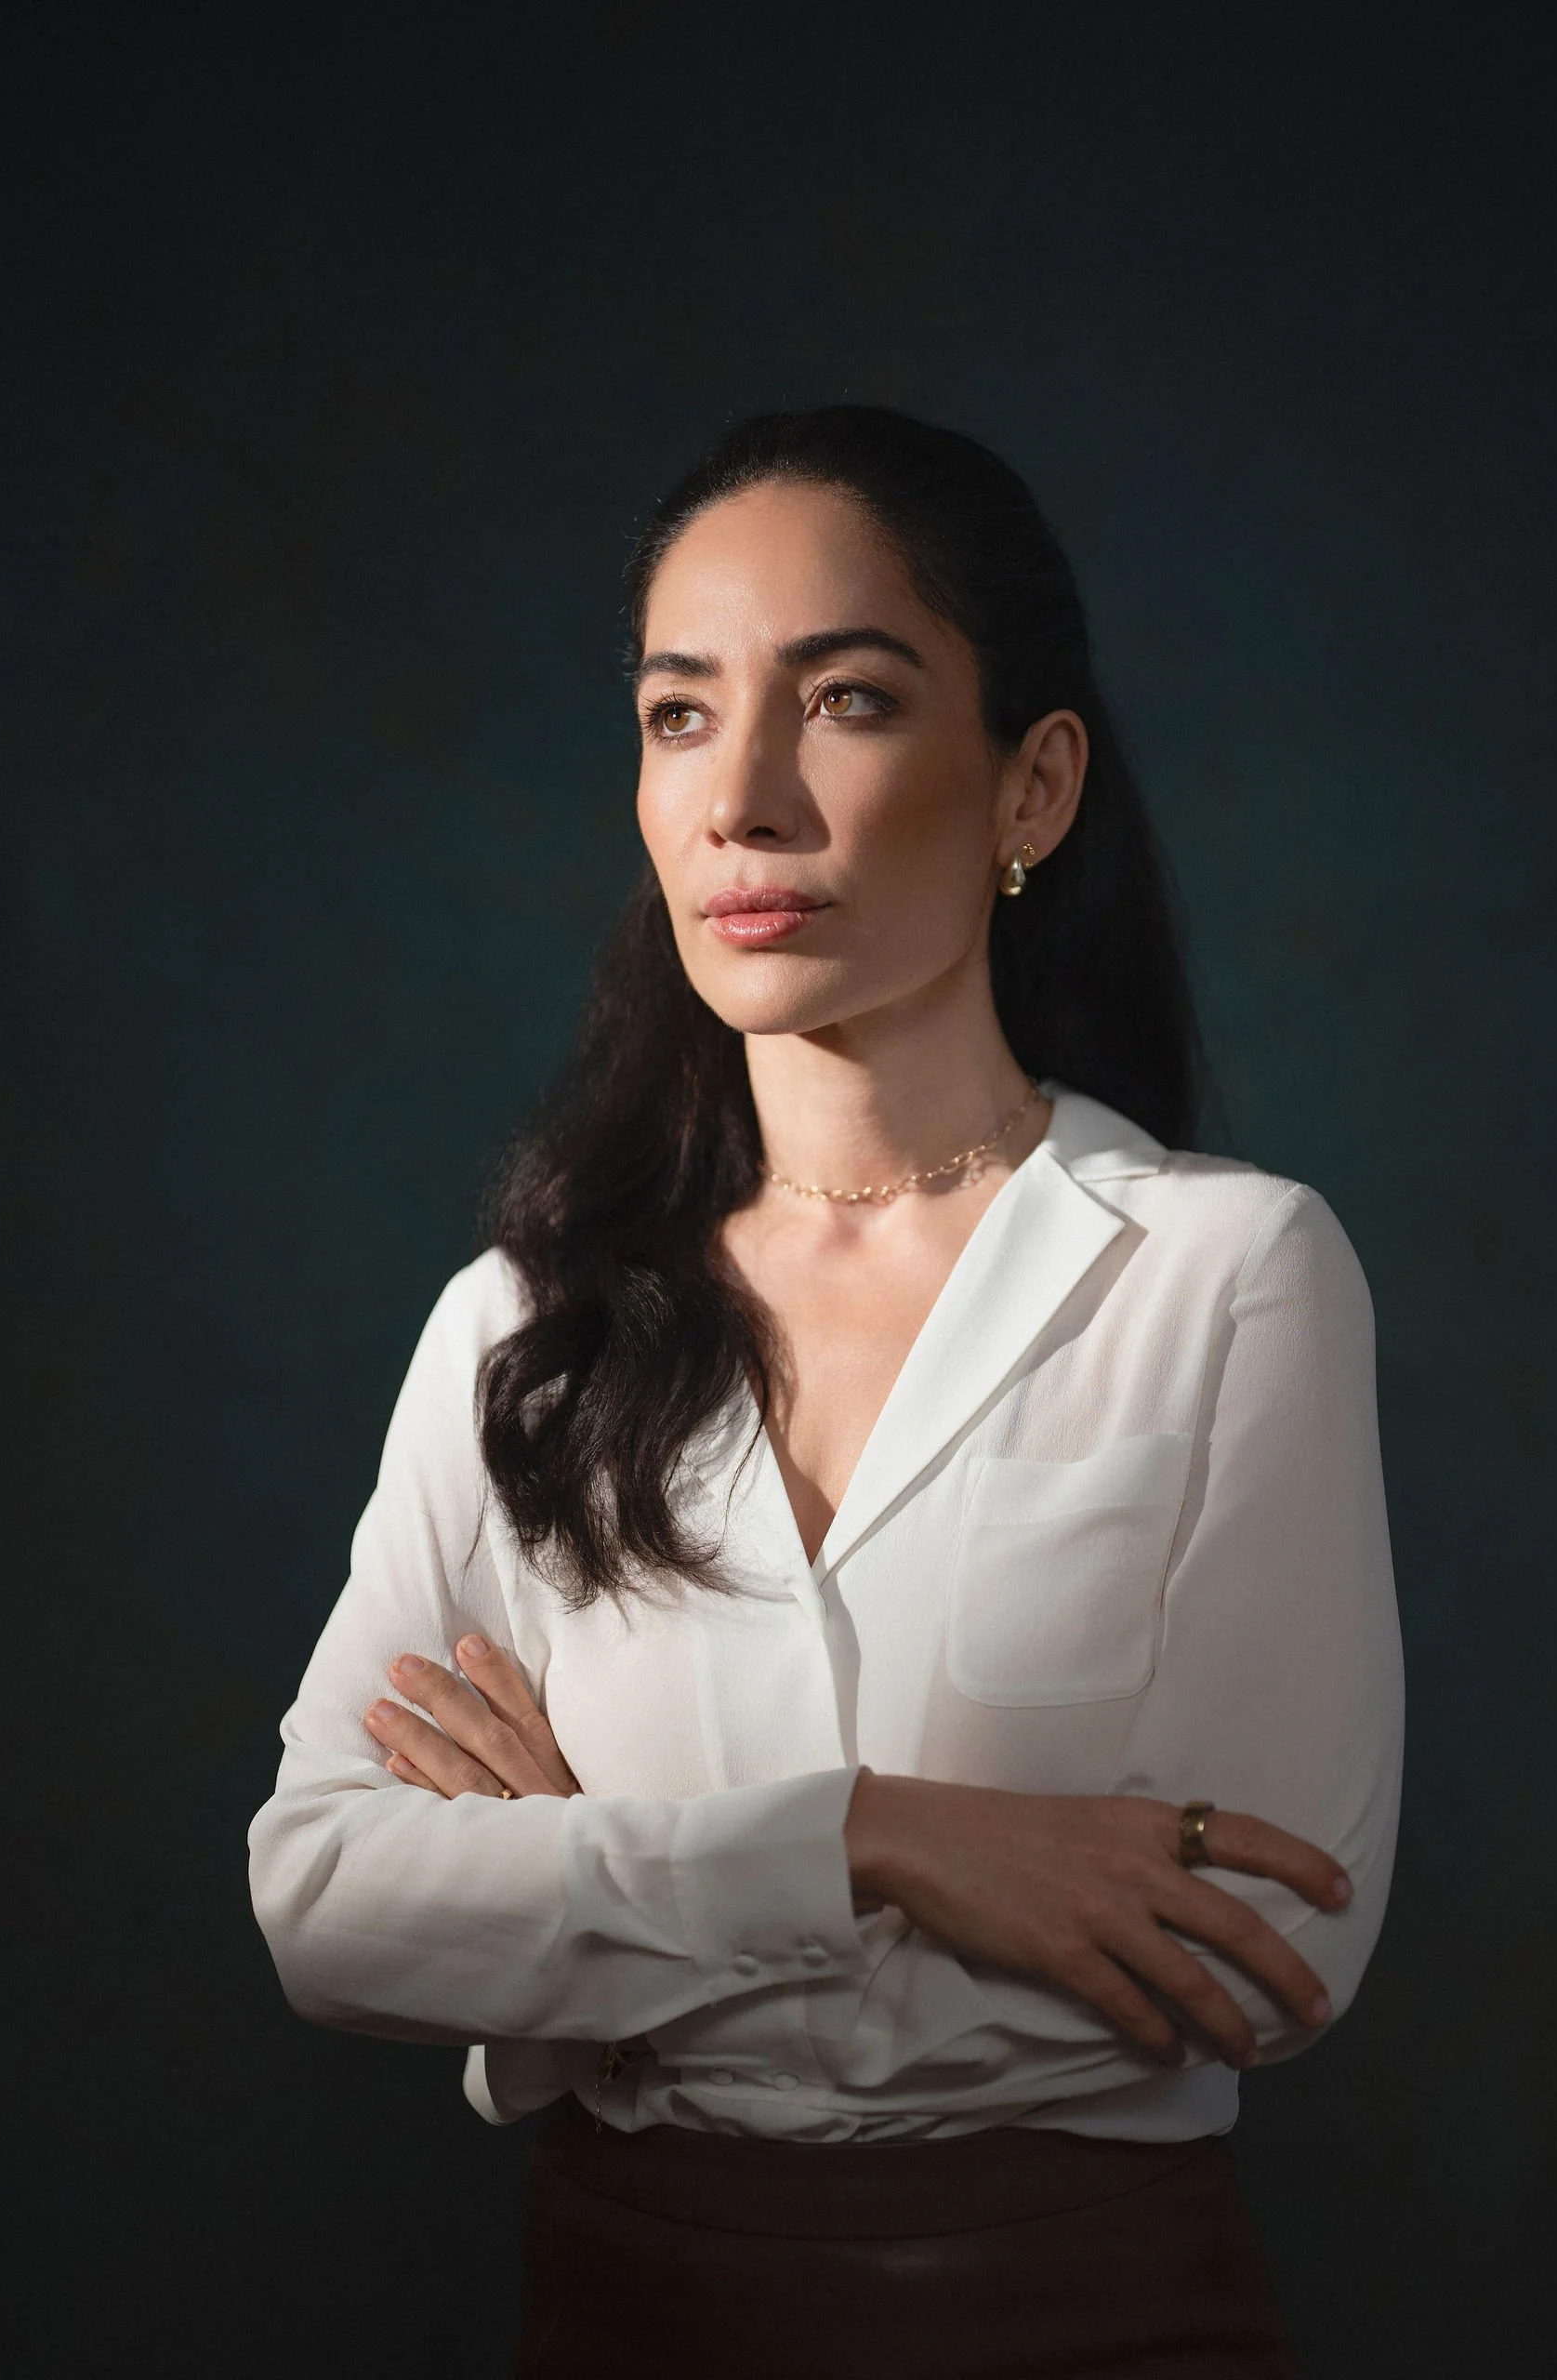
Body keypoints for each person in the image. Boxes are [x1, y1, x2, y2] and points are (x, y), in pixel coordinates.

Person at [248, 404, 1404, 2377]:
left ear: (1029, 784)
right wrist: (874, 1837)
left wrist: (574, 1907)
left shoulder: (1228, 1269)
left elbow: (1262, 1946)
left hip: (1086, 2316)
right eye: (680, 714)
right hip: (621, 2306)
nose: (744, 800)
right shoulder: (519, 1324)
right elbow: (332, 1896)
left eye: (848, 700)